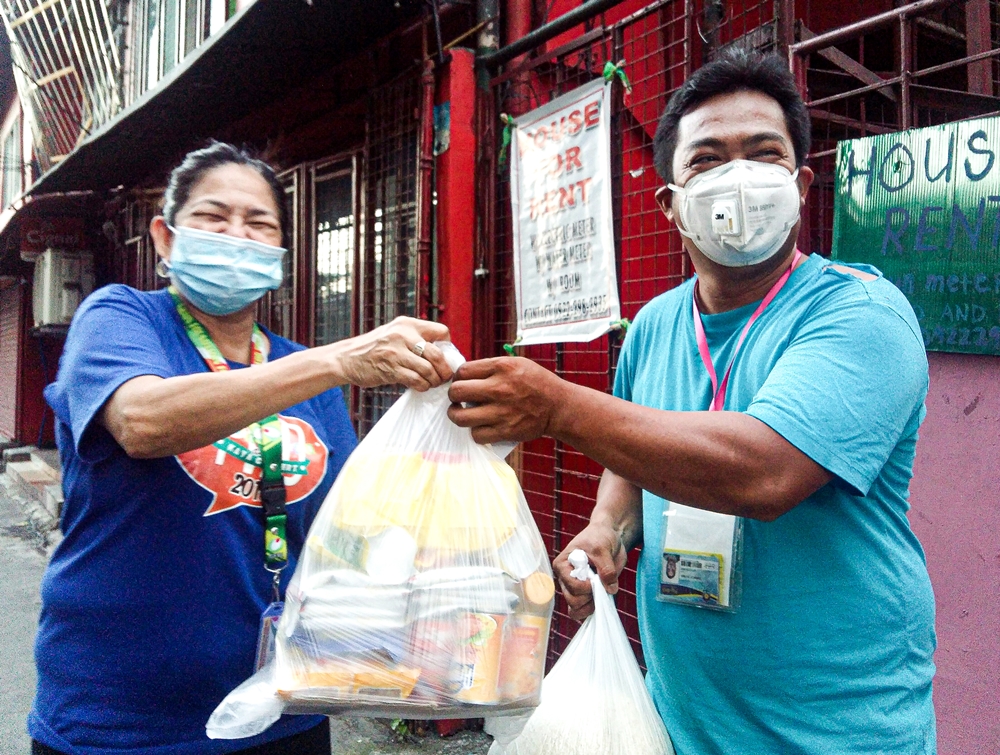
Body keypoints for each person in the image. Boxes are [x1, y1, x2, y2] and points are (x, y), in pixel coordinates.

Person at [448, 50, 936, 754]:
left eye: (763, 154)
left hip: (840, 735)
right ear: (670, 203)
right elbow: (634, 459)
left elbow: (763, 473)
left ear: (800, 184)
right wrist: (606, 532)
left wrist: (557, 408)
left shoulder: (861, 315)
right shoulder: (653, 325)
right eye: (707, 158)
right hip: (677, 726)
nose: (738, 176)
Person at [30, 141, 453, 755]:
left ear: (280, 253)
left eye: (259, 224)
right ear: (166, 238)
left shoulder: (301, 367)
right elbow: (141, 421)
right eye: (212, 217)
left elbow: (350, 528)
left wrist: (465, 453)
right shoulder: (124, 319)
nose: (237, 235)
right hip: (120, 718)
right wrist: (336, 359)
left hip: (285, 707)